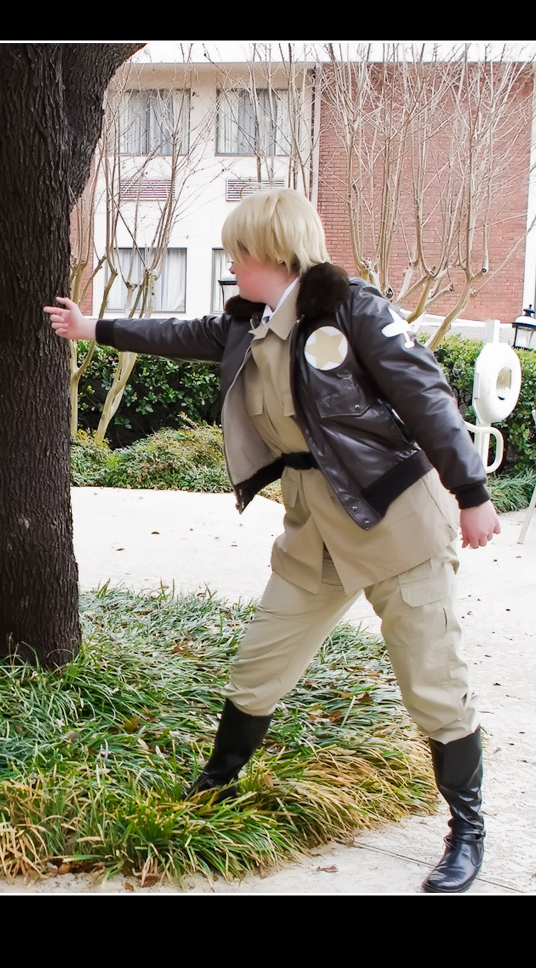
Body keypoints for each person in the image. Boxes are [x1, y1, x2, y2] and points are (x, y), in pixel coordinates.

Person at [44, 189, 500, 894]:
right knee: (260, 665)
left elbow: (427, 396)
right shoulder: (247, 325)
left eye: (238, 254)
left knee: (432, 683)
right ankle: (215, 788)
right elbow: (179, 335)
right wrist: (92, 328)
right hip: (314, 530)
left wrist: (471, 492)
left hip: (395, 521)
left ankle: (467, 832)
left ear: (273, 252)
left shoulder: (352, 309)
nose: (231, 266)